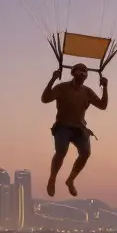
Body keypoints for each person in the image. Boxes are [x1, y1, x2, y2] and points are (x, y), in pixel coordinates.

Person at [41, 63, 107, 197]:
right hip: (63, 126)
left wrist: (105, 87)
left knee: (86, 153)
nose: (83, 73)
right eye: (80, 71)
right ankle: (52, 179)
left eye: (85, 72)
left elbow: (102, 105)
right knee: (61, 151)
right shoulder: (62, 88)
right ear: (73, 73)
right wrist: (53, 79)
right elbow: (45, 99)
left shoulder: (87, 92)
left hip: (79, 128)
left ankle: (70, 180)